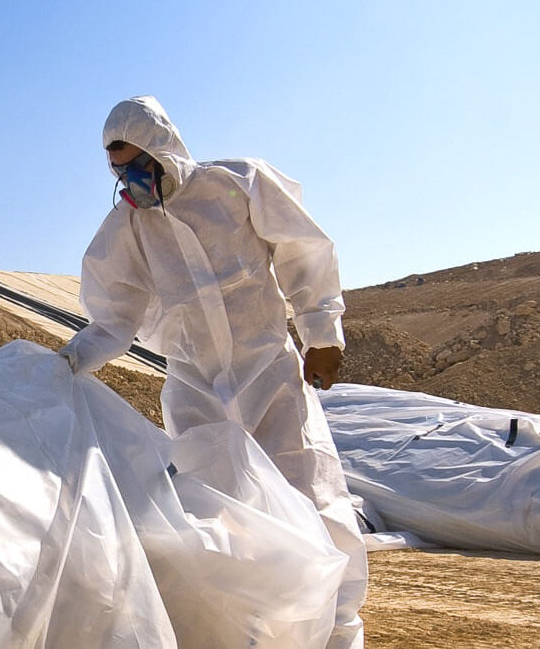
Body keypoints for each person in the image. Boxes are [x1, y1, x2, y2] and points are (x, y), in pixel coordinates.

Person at [60, 95, 366, 648]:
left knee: (310, 497)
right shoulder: (128, 228)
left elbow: (304, 251)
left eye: (135, 162)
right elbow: (112, 318)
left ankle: (337, 631)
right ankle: (243, 633)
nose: (127, 176)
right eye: (117, 166)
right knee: (217, 516)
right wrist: (68, 363)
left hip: (269, 374)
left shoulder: (239, 183)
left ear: (162, 148)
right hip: (194, 388)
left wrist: (322, 334)